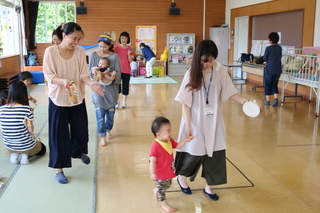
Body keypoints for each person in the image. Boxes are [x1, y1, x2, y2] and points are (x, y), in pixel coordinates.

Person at [174, 40, 248, 200]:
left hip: (214, 121)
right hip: (194, 121)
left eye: (210, 60)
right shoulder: (190, 73)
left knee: (215, 153)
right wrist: (188, 127)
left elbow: (228, 92)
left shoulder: (220, 71)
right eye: (203, 60)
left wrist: (242, 100)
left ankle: (209, 187)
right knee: (194, 153)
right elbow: (184, 104)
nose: (206, 64)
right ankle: (182, 177)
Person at [43, 22, 105, 184]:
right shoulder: (50, 52)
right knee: (59, 135)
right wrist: (62, 81)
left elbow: (83, 74)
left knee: (81, 131)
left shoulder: (79, 51)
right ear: (64, 35)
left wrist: (91, 84)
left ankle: (77, 151)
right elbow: (49, 76)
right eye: (74, 39)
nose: (76, 42)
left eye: (79, 39)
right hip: (58, 99)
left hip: (76, 97)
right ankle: (59, 169)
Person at [149, 117, 193, 212]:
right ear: (158, 134)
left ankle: (156, 189)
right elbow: (152, 161)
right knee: (162, 190)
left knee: (167, 185)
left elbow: (177, 145)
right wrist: (152, 173)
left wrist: (185, 140)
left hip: (168, 170)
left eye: (170, 131)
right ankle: (164, 204)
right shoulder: (155, 146)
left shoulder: (168, 141)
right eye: (168, 131)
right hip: (159, 173)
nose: (170, 133)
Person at [0, 81, 46, 165]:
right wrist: (31, 116)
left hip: (9, 145)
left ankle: (14, 154)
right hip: (26, 145)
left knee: (16, 139)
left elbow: (2, 129)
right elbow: (31, 130)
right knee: (43, 149)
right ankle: (25, 155)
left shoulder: (1, 109)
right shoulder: (26, 109)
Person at [89, 33, 121, 147]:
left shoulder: (114, 56)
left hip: (111, 90)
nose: (102, 49)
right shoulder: (93, 55)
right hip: (98, 90)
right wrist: (94, 73)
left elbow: (118, 73)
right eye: (100, 46)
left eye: (105, 47)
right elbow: (89, 73)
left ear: (110, 46)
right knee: (100, 116)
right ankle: (102, 137)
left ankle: (108, 130)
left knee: (110, 116)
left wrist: (110, 78)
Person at [114, 32, 134, 108]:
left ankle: (124, 102)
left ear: (128, 39)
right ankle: (117, 102)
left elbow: (130, 61)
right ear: (120, 39)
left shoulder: (130, 49)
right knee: (117, 87)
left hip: (126, 71)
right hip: (118, 71)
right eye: (122, 38)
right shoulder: (116, 48)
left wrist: (128, 53)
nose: (123, 39)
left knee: (125, 86)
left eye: (125, 38)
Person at [263, 32, 282, 106]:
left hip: (270, 69)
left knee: (268, 85)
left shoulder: (268, 48)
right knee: (274, 84)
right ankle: (276, 99)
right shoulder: (279, 48)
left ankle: (268, 101)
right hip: (278, 69)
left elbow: (265, 58)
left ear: (270, 40)